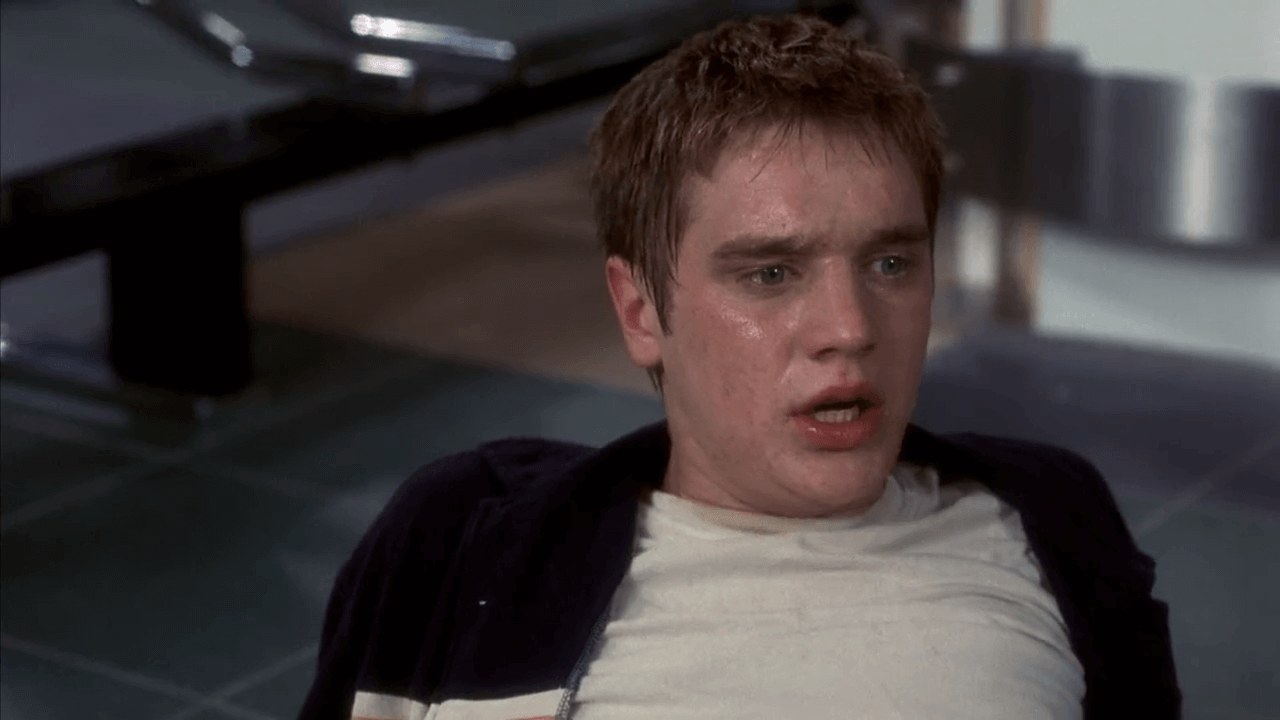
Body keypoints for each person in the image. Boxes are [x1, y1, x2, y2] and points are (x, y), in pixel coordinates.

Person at [299, 13, 1180, 720]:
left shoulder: (1047, 527)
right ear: (641, 311)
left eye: (889, 263)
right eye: (770, 274)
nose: (849, 329)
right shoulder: (464, 549)